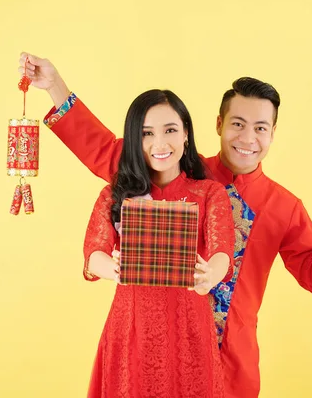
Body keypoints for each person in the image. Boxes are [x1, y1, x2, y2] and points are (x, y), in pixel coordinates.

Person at [18, 53, 312, 398]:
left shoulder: (284, 206)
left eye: (260, 128)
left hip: (231, 356)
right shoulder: (182, 171)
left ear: (273, 133)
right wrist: (55, 87)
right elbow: (110, 152)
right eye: (237, 124)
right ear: (218, 124)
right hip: (156, 343)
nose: (248, 139)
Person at [80, 88, 235, 397]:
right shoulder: (116, 194)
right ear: (134, 140)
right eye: (146, 133)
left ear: (186, 134)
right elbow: (92, 254)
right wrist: (114, 267)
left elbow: (222, 250)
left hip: (189, 329)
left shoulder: (209, 194)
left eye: (170, 130)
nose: (159, 143)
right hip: (131, 329)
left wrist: (211, 274)